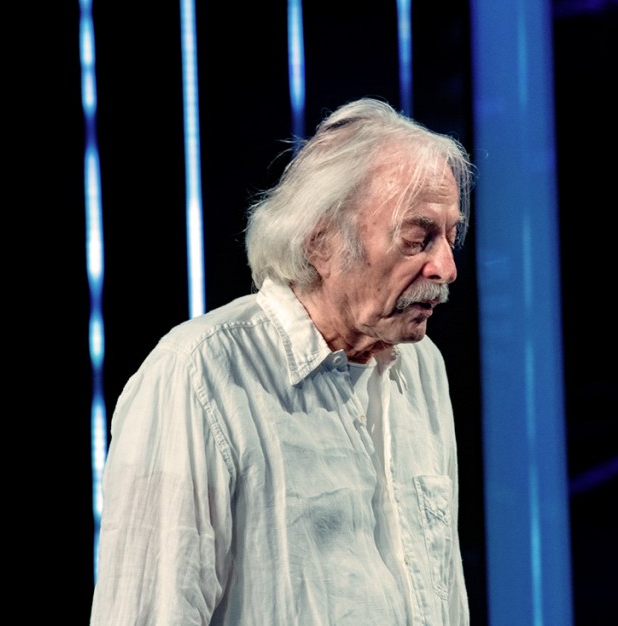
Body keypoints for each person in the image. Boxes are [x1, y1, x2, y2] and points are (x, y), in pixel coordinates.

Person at [90, 97, 474, 625]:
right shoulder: (198, 374)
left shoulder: (422, 366)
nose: (447, 268)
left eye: (450, 237)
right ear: (321, 241)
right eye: (417, 238)